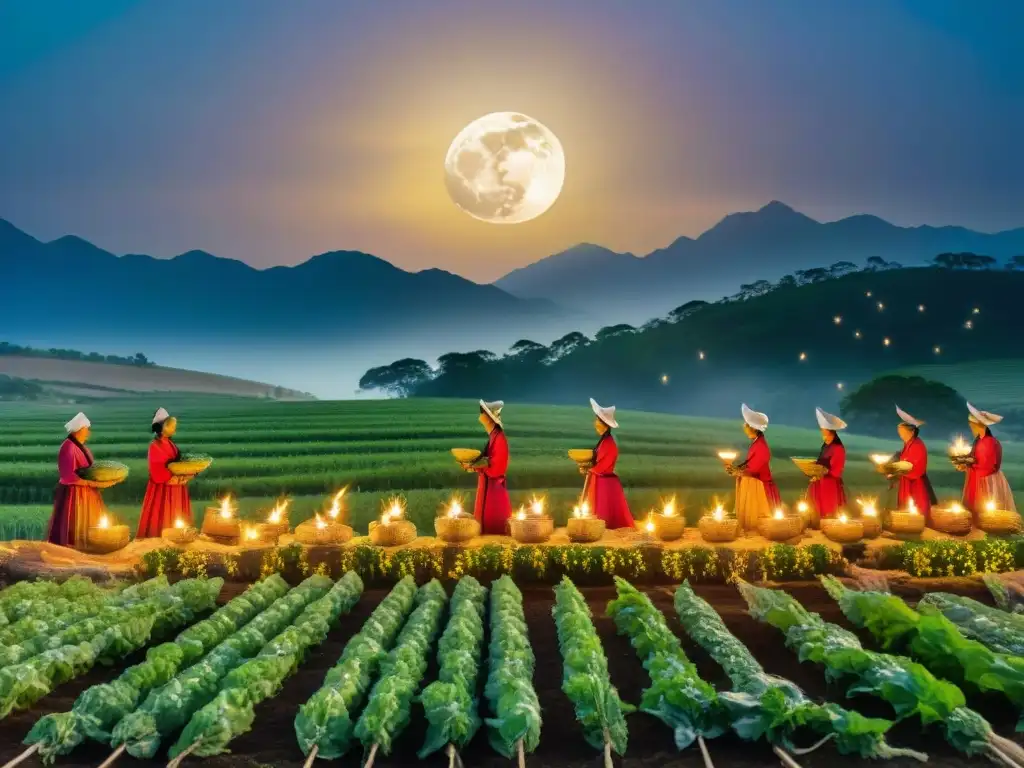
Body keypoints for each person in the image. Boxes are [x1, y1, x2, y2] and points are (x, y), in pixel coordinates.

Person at [46, 412, 107, 548]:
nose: (88, 433)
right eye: (86, 430)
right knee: (74, 523)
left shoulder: (82, 447)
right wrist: (92, 482)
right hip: (73, 495)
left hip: (87, 494)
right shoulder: (68, 448)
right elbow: (69, 476)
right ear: (79, 430)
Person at [137, 407, 193, 538]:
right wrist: (175, 478)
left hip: (176, 488)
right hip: (163, 489)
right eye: (171, 426)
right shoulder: (154, 446)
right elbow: (157, 470)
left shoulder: (171, 444)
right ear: (162, 427)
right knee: (163, 515)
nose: (174, 429)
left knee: (176, 516)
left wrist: (186, 473)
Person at [728, 404, 782, 532]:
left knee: (757, 518)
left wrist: (738, 472)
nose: (744, 428)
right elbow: (750, 464)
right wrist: (737, 470)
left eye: (746, 425)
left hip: (758, 487)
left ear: (752, 428)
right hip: (752, 483)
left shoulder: (761, 446)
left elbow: (754, 468)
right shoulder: (756, 443)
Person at [582, 398, 635, 529]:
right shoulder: (603, 442)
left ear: (604, 424)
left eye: (597, 421)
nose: (595, 423)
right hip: (600, 481)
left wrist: (590, 469)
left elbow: (603, 466)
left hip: (605, 485)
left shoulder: (609, 444)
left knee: (604, 514)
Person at [959, 403, 1016, 521]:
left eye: (972, 425)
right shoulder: (978, 441)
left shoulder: (990, 442)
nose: (971, 427)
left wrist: (970, 463)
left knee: (987, 507)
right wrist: (965, 463)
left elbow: (988, 465)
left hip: (987, 479)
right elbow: (974, 458)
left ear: (978, 425)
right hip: (977, 476)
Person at [466, 400, 512, 534]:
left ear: (489, 419)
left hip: (494, 491)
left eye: (483, 414)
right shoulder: (493, 436)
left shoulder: (500, 438)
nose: (480, 417)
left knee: (494, 528)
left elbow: (497, 467)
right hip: (487, 486)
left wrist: (478, 466)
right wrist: (474, 466)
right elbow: (487, 460)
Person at [892, 405, 937, 522]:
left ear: (911, 432)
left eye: (901, 432)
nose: (900, 435)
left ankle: (916, 523)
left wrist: (901, 468)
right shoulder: (908, 444)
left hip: (916, 482)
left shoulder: (917, 445)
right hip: (907, 480)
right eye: (899, 432)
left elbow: (916, 466)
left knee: (916, 505)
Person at [807, 407, 847, 520]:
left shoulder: (838, 448)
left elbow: (836, 470)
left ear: (830, 432)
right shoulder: (826, 446)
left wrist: (823, 471)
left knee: (829, 512)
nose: (822, 433)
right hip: (820, 482)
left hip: (830, 485)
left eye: (824, 431)